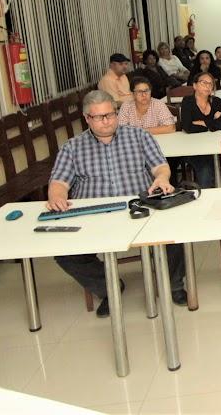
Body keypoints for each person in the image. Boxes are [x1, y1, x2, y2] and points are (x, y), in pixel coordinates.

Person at [47, 90, 187, 317]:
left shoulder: (139, 136)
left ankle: (174, 285)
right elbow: (59, 183)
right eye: (100, 117)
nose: (107, 121)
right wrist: (57, 196)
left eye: (111, 115)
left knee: (172, 233)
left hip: (139, 208)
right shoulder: (72, 147)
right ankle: (108, 288)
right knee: (65, 254)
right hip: (93, 215)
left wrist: (162, 177)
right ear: (87, 119)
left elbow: (160, 166)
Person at [180, 71, 221, 188]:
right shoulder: (187, 102)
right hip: (194, 147)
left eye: (210, 84)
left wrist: (202, 122)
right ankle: (207, 197)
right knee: (206, 168)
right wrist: (211, 123)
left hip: (214, 146)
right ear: (194, 86)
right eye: (204, 83)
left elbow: (220, 125)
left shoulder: (216, 101)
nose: (208, 86)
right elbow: (187, 127)